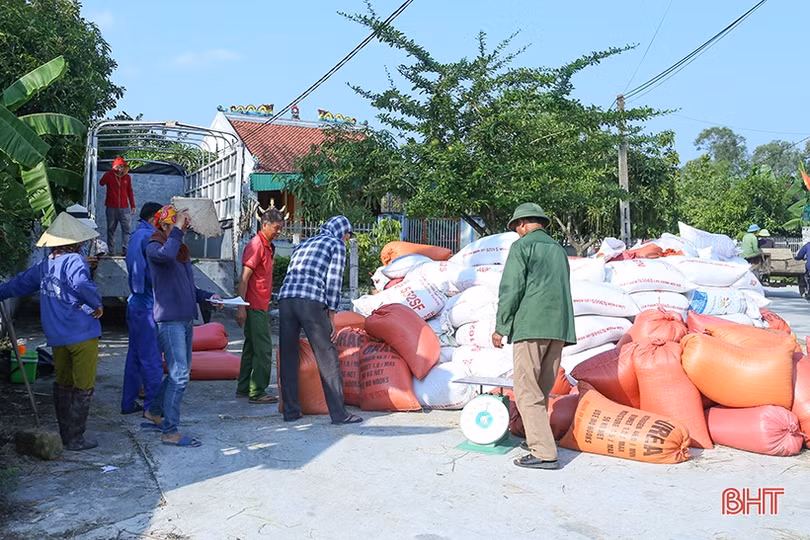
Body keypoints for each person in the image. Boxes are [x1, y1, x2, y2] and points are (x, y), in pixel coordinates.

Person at [0, 213, 104, 451]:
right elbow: (79, 285)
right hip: (81, 332)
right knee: (83, 386)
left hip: (57, 335)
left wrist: (1, 292)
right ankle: (75, 439)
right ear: (76, 241)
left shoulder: (45, 265)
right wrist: (96, 302)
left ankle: (65, 434)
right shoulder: (76, 260)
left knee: (64, 383)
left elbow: (19, 284)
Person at [491, 203, 576, 470]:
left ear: (525, 223)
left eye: (517, 226)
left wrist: (501, 326)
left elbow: (511, 289)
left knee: (526, 391)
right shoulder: (559, 251)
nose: (516, 231)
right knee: (541, 389)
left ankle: (544, 453)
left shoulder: (523, 247)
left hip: (531, 327)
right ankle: (537, 438)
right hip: (558, 328)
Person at [141, 205, 220, 447]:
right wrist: (176, 231)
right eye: (179, 225)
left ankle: (154, 412)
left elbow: (189, 288)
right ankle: (170, 431)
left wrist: (209, 297)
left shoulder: (180, 251)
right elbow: (165, 256)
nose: (184, 229)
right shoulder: (154, 247)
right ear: (165, 226)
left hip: (185, 319)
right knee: (180, 375)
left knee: (179, 372)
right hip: (170, 320)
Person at [277, 215, 361, 425]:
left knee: (289, 355)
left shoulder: (304, 243)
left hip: (286, 300)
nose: (347, 240)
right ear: (343, 232)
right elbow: (333, 280)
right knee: (327, 355)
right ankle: (339, 414)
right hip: (310, 301)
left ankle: (291, 411)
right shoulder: (336, 244)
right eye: (348, 236)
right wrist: (332, 316)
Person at [236, 208, 285, 404]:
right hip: (254, 305)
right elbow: (244, 279)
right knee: (264, 349)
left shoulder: (266, 246)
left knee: (251, 348)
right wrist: (241, 308)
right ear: (264, 225)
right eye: (276, 228)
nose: (279, 231)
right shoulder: (256, 246)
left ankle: (243, 386)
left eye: (281, 228)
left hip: (257, 304)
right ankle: (257, 391)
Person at [120, 201, 164, 415]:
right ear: (155, 218)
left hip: (136, 303)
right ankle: (153, 410)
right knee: (152, 359)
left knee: (135, 357)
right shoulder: (150, 237)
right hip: (147, 303)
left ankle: (128, 404)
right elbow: (150, 273)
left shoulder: (137, 235)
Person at [99, 156, 135, 255]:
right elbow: (101, 183)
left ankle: (125, 249)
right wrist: (110, 173)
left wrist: (133, 205)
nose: (121, 169)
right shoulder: (109, 175)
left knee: (127, 229)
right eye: (119, 166)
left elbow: (130, 192)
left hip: (124, 207)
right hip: (111, 207)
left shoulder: (127, 177)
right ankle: (111, 251)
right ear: (115, 167)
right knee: (111, 229)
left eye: (123, 167)